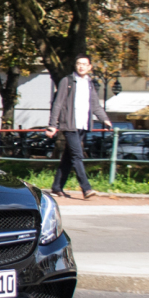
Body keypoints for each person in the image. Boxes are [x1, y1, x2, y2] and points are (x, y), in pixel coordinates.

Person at [45, 55, 112, 199]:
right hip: (70, 125)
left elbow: (95, 105)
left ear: (89, 67)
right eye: (78, 64)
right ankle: (86, 188)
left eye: (84, 64)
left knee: (69, 158)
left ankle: (57, 187)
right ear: (75, 66)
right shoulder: (67, 81)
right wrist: (52, 125)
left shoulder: (89, 83)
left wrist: (105, 120)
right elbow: (58, 103)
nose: (81, 66)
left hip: (83, 125)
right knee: (77, 155)